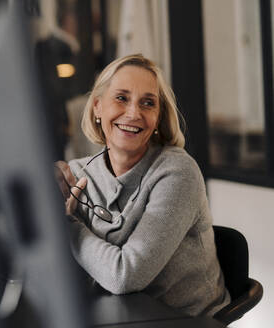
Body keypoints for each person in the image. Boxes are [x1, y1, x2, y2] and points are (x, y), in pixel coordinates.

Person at [55, 54, 230, 316]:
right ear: (97, 107)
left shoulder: (178, 172)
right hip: (115, 316)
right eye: (121, 98)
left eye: (148, 103)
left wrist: (64, 226)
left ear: (158, 117)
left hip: (183, 322)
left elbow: (124, 276)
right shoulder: (77, 173)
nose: (134, 113)